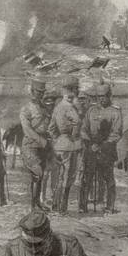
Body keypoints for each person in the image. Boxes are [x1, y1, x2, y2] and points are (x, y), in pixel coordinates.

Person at [79, 82, 123, 214]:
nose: (101, 99)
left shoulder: (115, 112)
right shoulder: (91, 111)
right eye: (99, 96)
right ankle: (82, 205)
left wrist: (101, 146)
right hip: (91, 149)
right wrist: (89, 142)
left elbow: (117, 133)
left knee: (108, 179)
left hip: (106, 151)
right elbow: (83, 129)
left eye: (104, 96)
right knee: (86, 178)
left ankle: (109, 206)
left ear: (109, 96)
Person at [47, 78, 83, 214]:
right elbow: (77, 123)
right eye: (76, 89)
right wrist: (72, 136)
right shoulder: (69, 107)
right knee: (67, 178)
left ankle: (57, 207)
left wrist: (58, 141)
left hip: (60, 145)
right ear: (73, 90)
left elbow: (51, 128)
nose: (77, 91)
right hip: (69, 146)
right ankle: (61, 208)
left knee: (59, 177)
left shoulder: (57, 107)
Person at [20, 78, 52, 209]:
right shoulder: (26, 108)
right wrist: (42, 140)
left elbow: (48, 126)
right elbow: (27, 130)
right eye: (38, 92)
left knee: (41, 175)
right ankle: (34, 206)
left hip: (43, 147)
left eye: (42, 92)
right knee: (37, 173)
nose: (40, 94)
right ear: (32, 91)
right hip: (30, 145)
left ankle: (37, 203)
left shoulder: (44, 108)